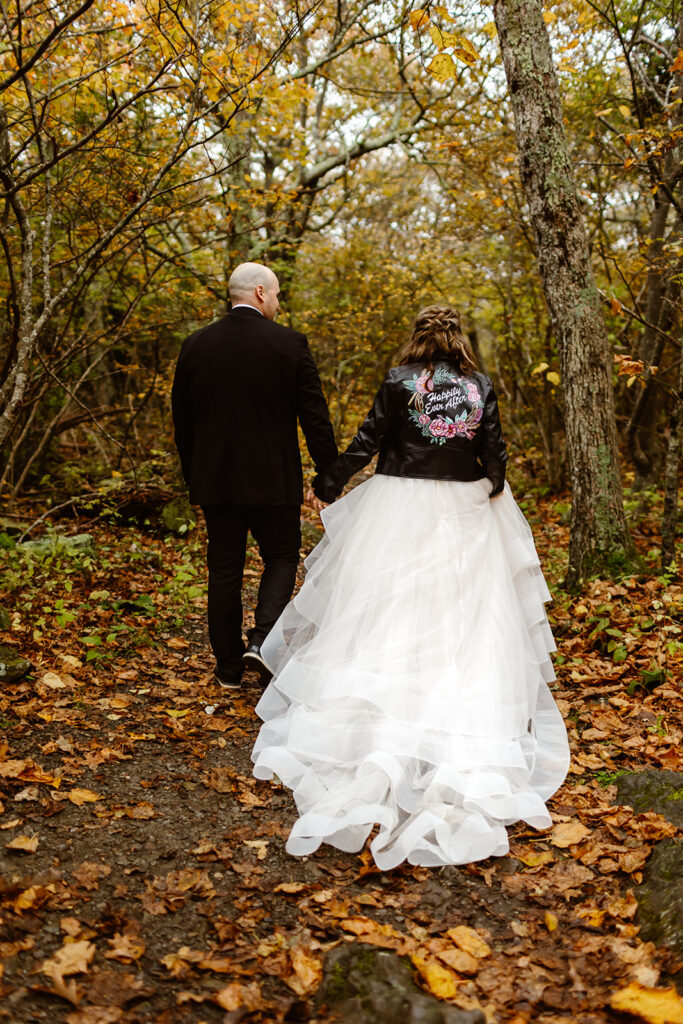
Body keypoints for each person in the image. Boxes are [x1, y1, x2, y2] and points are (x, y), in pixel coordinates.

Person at [251, 305, 570, 869]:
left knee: (389, 604)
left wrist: (328, 480)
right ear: (459, 339)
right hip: (460, 502)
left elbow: (369, 437)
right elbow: (493, 449)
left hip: (398, 502)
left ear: (418, 338)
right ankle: (447, 702)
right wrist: (492, 485)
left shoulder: (400, 383)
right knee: (460, 611)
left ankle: (378, 704)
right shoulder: (480, 385)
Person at [171, 262, 337, 689]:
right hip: (273, 480)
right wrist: (328, 476)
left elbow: (182, 422)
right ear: (261, 293)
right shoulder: (289, 344)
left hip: (216, 481)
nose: (278, 304)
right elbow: (314, 417)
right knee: (280, 558)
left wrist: (196, 475)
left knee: (224, 569)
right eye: (278, 295)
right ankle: (261, 642)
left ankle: (228, 668)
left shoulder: (195, 346)